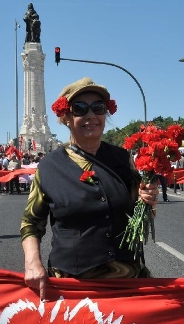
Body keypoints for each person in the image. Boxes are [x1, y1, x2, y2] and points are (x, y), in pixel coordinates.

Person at [21, 77, 159, 299]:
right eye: (80, 109)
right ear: (66, 117)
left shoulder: (124, 159)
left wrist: (149, 201)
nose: (91, 116)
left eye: (98, 108)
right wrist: (32, 263)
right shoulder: (48, 167)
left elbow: (143, 212)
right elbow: (31, 223)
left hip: (127, 282)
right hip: (72, 286)